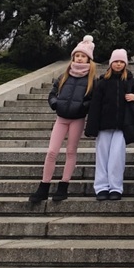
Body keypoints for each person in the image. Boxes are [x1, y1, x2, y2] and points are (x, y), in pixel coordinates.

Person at [29, 35, 96, 203]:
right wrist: (55, 103)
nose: (79, 58)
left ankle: (63, 186)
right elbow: (52, 93)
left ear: (88, 59)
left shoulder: (91, 79)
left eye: (83, 56)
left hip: (77, 119)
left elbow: (93, 99)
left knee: (71, 152)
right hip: (61, 118)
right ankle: (43, 186)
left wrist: (82, 107)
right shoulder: (64, 76)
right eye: (77, 55)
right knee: (52, 151)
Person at [84, 49, 134, 201]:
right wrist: (92, 127)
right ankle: (101, 187)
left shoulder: (130, 81)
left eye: (121, 62)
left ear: (125, 64)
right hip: (104, 126)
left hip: (122, 126)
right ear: (111, 63)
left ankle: (115, 187)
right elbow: (95, 106)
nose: (118, 64)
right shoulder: (102, 82)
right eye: (116, 61)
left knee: (117, 157)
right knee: (102, 157)